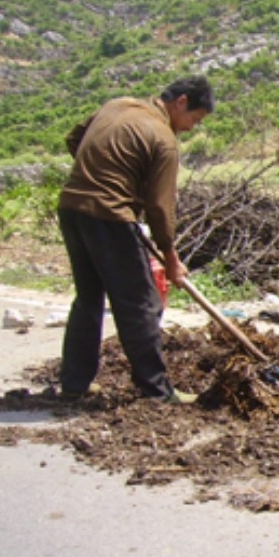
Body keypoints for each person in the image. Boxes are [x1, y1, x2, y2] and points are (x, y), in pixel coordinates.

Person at [57, 75, 215, 403]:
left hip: (71, 207)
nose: (190, 128)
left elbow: (75, 140)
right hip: (108, 215)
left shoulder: (117, 105)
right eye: (194, 119)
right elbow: (160, 208)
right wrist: (171, 258)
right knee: (141, 303)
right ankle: (156, 391)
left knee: (88, 299)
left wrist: (100, 174)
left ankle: (74, 384)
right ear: (181, 101)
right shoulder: (163, 139)